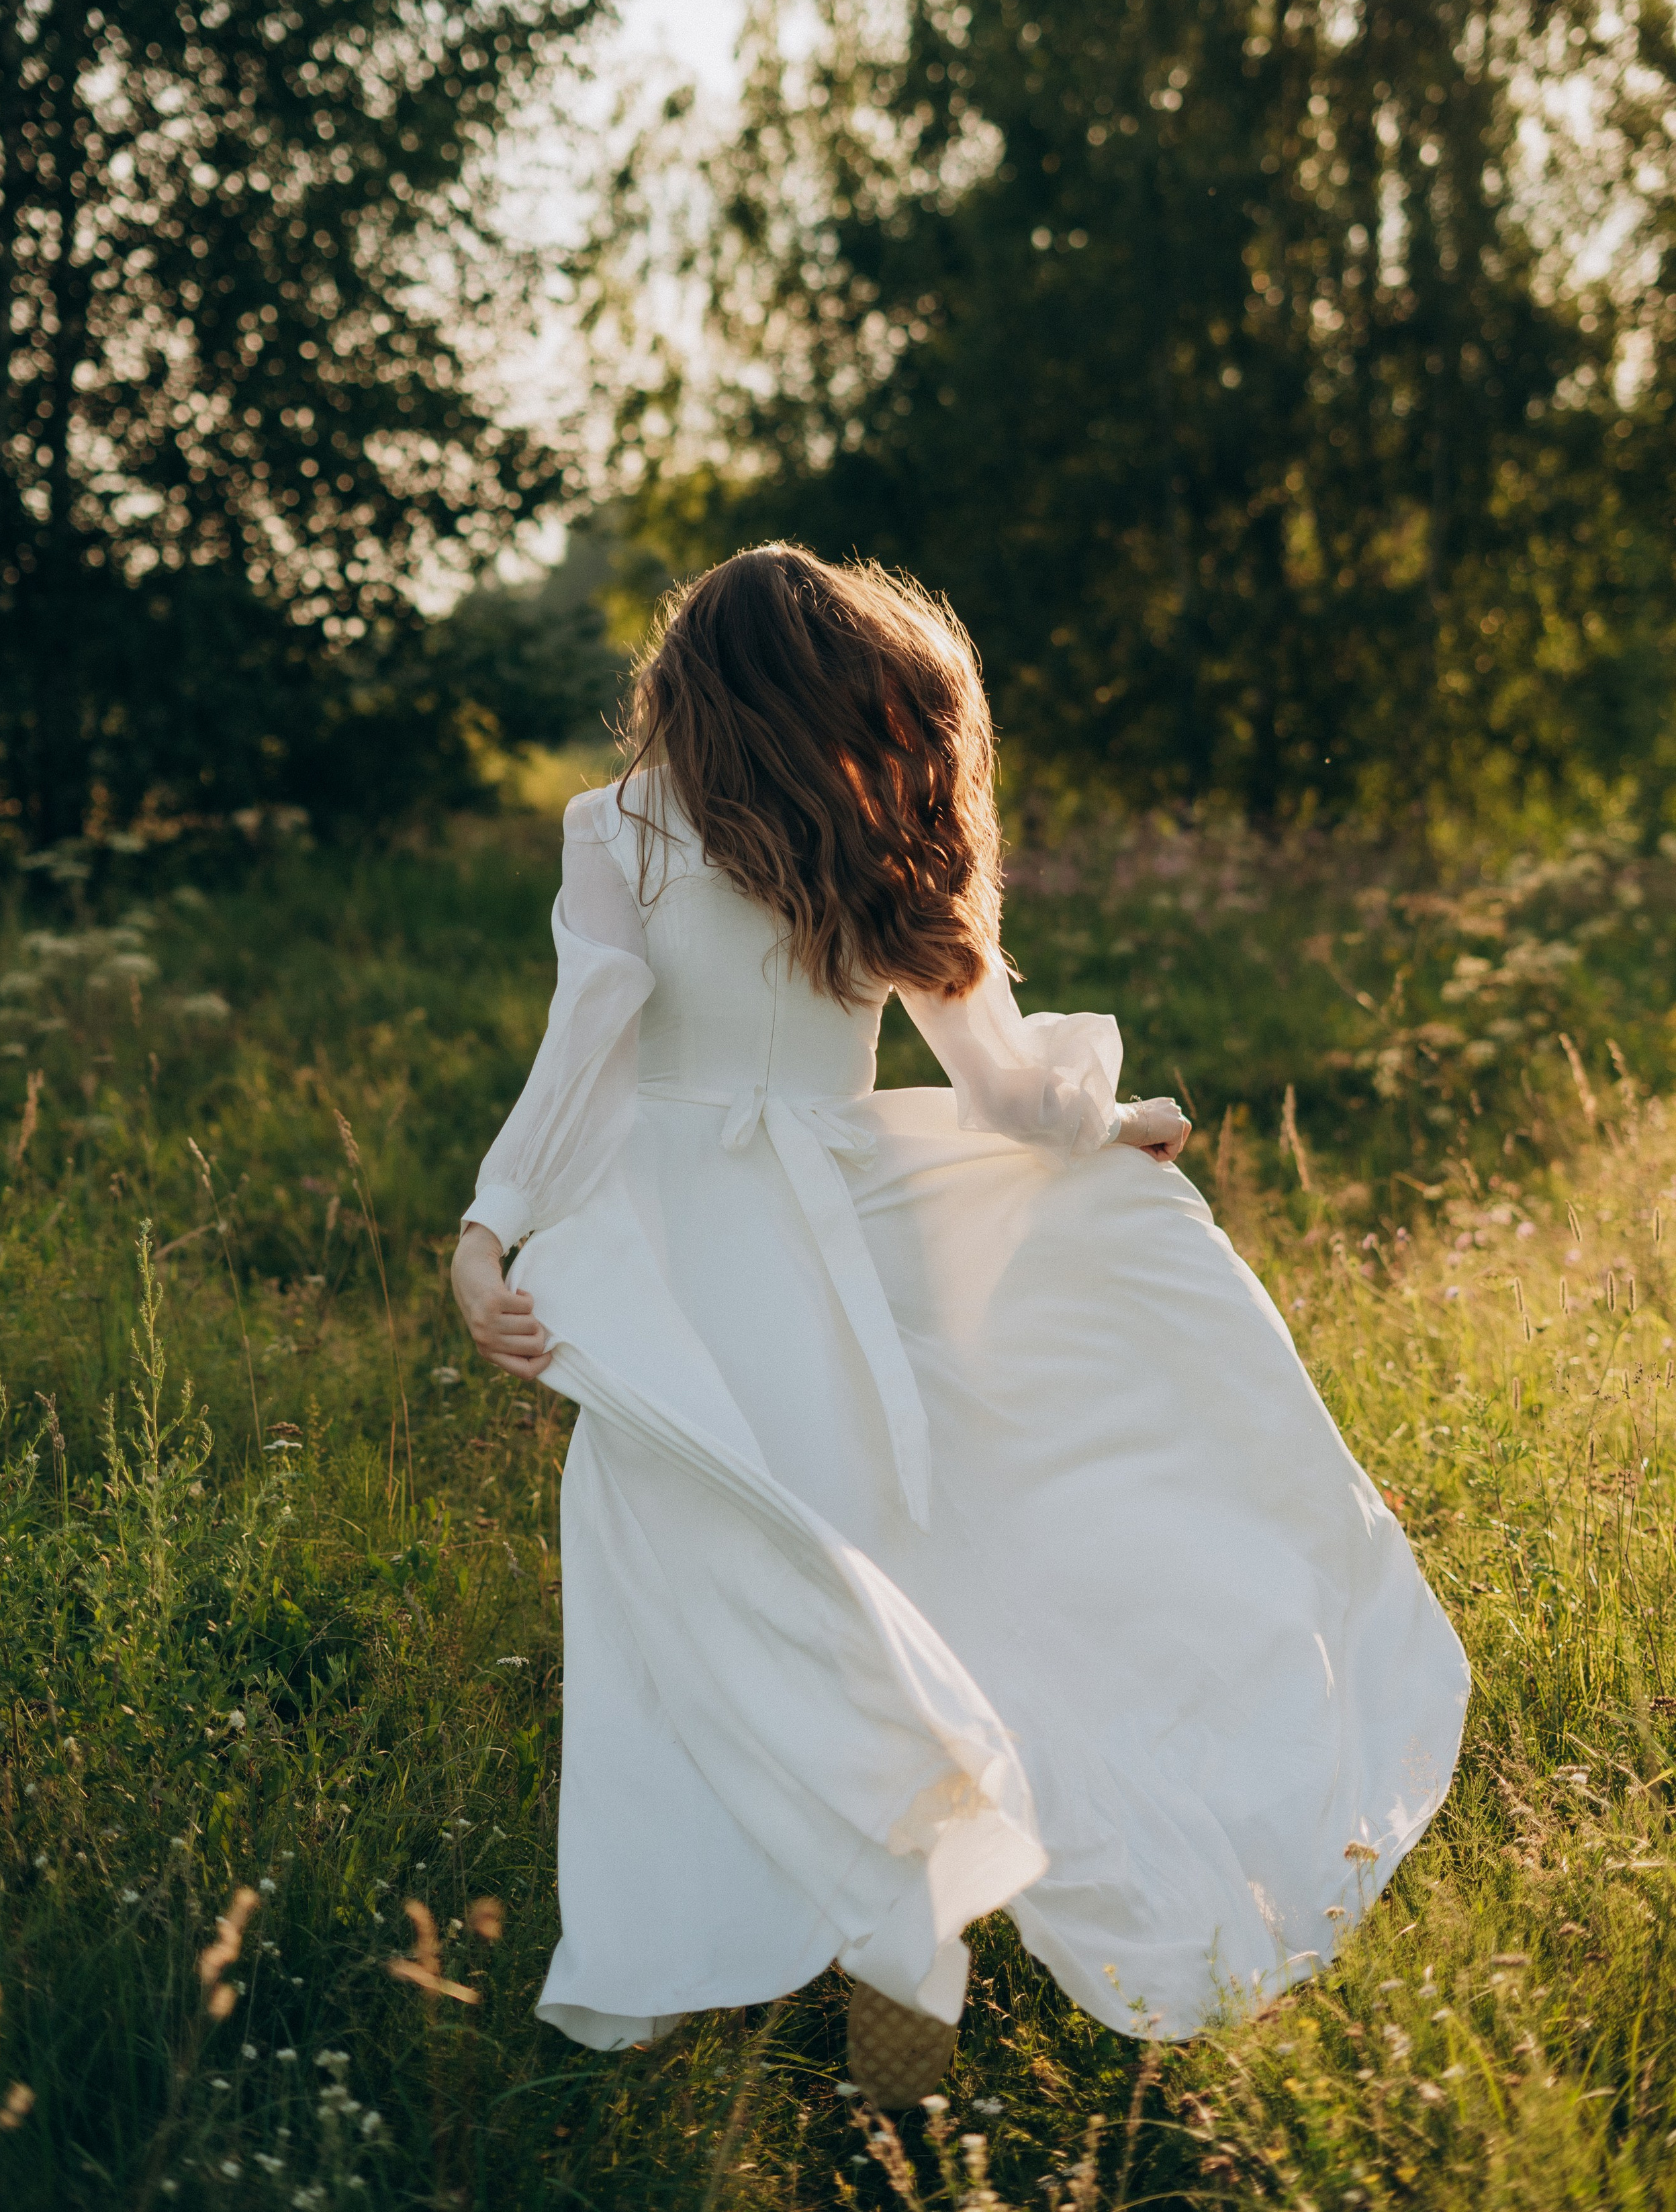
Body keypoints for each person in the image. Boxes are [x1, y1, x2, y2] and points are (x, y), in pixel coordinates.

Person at [450, 545, 1468, 2105]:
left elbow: (585, 1039)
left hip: (682, 1263)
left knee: (705, 1606)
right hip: (844, 1248)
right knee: (872, 1597)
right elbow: (996, 1088)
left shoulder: (617, 828)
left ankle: (748, 1991)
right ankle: (893, 2047)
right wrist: (1107, 1122)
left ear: (687, 685)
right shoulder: (868, 816)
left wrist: (492, 1227)